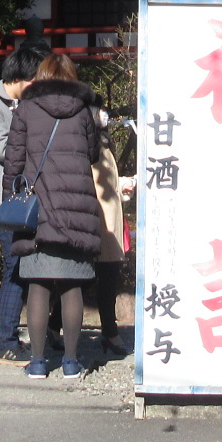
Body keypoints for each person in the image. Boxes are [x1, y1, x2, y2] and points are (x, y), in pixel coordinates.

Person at [3, 51, 106, 379]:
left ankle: (36, 363)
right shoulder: (83, 111)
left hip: (39, 209)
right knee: (71, 285)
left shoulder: (26, 110)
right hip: (76, 210)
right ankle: (72, 363)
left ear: (42, 76)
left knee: (38, 284)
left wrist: (10, 201)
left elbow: (13, 160)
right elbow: (93, 154)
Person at [0, 44, 42, 364]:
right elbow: (4, 150)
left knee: (28, 268)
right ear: (19, 78)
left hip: (24, 200)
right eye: (34, 80)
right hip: (4, 203)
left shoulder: (23, 103)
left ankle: (21, 335)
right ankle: (6, 342)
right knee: (14, 269)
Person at [90, 105, 134, 358]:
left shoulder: (103, 142)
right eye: (99, 110)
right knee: (100, 278)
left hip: (110, 218)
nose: (105, 114)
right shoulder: (89, 143)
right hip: (99, 220)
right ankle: (110, 331)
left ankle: (54, 325)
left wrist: (122, 187)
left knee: (102, 277)